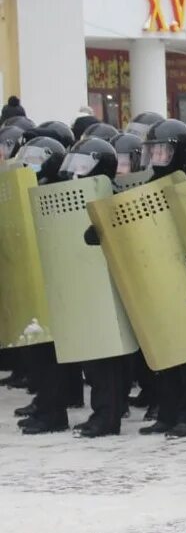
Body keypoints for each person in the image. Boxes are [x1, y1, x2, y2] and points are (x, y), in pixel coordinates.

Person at [135, 119, 186, 439]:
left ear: (179, 150)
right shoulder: (149, 181)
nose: (157, 156)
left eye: (163, 149)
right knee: (164, 349)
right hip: (156, 272)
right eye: (152, 150)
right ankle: (166, 413)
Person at [8, 136, 78, 435]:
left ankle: (54, 411)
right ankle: (46, 404)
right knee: (36, 351)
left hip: (53, 279)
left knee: (50, 353)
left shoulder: (56, 188)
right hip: (33, 280)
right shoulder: (26, 187)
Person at [65, 138, 132, 438]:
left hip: (107, 288)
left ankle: (108, 416)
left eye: (83, 164)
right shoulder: (77, 195)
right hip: (89, 287)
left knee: (106, 361)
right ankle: (102, 412)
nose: (76, 171)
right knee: (94, 361)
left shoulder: (110, 195)